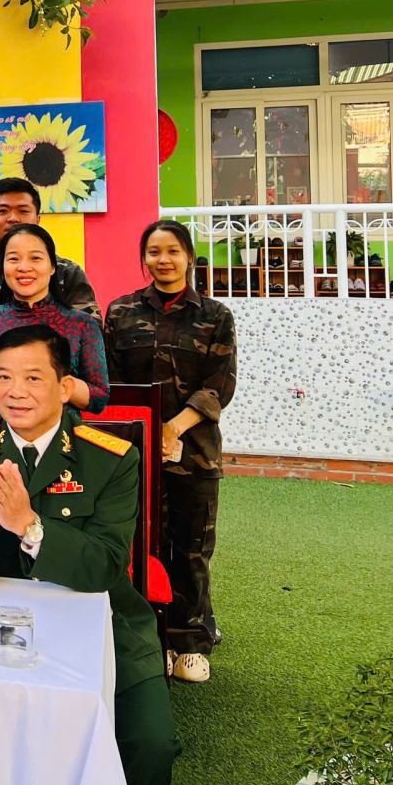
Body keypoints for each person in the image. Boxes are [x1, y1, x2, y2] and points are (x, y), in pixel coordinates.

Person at [0, 325, 178, 785]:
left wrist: (29, 525)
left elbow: (105, 566)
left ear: (65, 387)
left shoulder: (109, 458)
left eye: (33, 378)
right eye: (3, 377)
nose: (15, 392)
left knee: (150, 743)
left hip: (102, 621)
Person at [105, 220, 237, 685]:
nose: (163, 260)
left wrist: (173, 428)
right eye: (154, 252)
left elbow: (219, 385)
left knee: (192, 549)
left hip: (194, 452)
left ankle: (190, 643)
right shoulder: (120, 312)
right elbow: (114, 382)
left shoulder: (216, 315)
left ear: (189, 258)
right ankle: (152, 640)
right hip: (134, 451)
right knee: (141, 547)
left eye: (173, 251)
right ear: (144, 259)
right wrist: (148, 433)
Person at [0, 177, 99, 356]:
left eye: (23, 211)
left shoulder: (67, 272)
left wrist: (36, 351)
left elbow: (90, 330)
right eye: (3, 211)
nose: (13, 218)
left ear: (38, 219)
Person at [0, 223, 109, 413]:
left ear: (52, 266)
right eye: (13, 259)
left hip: (63, 428)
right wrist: (10, 380)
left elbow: (99, 397)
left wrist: (47, 380)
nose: (24, 267)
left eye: (35, 258)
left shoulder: (82, 323)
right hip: (2, 425)